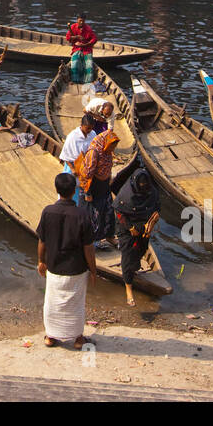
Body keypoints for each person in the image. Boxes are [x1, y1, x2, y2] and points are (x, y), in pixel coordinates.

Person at [36, 171, 97, 349]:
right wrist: (93, 270)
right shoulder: (82, 214)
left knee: (53, 302)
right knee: (75, 304)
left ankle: (50, 336)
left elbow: (42, 240)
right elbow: (88, 247)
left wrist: (41, 260)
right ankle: (78, 339)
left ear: (57, 190)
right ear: (74, 191)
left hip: (54, 266)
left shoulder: (48, 211)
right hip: (76, 268)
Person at [112, 165, 160, 306]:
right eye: (141, 184)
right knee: (127, 255)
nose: (143, 186)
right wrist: (130, 227)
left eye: (145, 184)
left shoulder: (152, 192)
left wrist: (151, 222)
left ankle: (135, 265)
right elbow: (119, 213)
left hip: (144, 224)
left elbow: (157, 208)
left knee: (142, 248)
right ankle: (128, 290)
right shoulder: (126, 194)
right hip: (127, 227)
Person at [72, 128, 119, 247]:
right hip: (92, 187)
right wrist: (87, 193)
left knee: (107, 212)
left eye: (114, 146)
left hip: (103, 186)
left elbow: (107, 168)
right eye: (111, 146)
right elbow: (87, 174)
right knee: (91, 214)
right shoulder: (94, 152)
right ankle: (87, 241)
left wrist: (109, 179)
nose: (112, 149)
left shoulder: (107, 152)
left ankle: (108, 236)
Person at [66, 15, 97, 83]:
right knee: (74, 63)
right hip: (76, 49)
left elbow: (94, 39)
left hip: (86, 49)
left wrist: (85, 44)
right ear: (77, 20)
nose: (82, 22)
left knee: (89, 65)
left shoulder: (88, 28)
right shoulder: (73, 27)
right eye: (80, 20)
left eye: (83, 21)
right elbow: (68, 37)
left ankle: (88, 81)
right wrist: (77, 37)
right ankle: (75, 80)